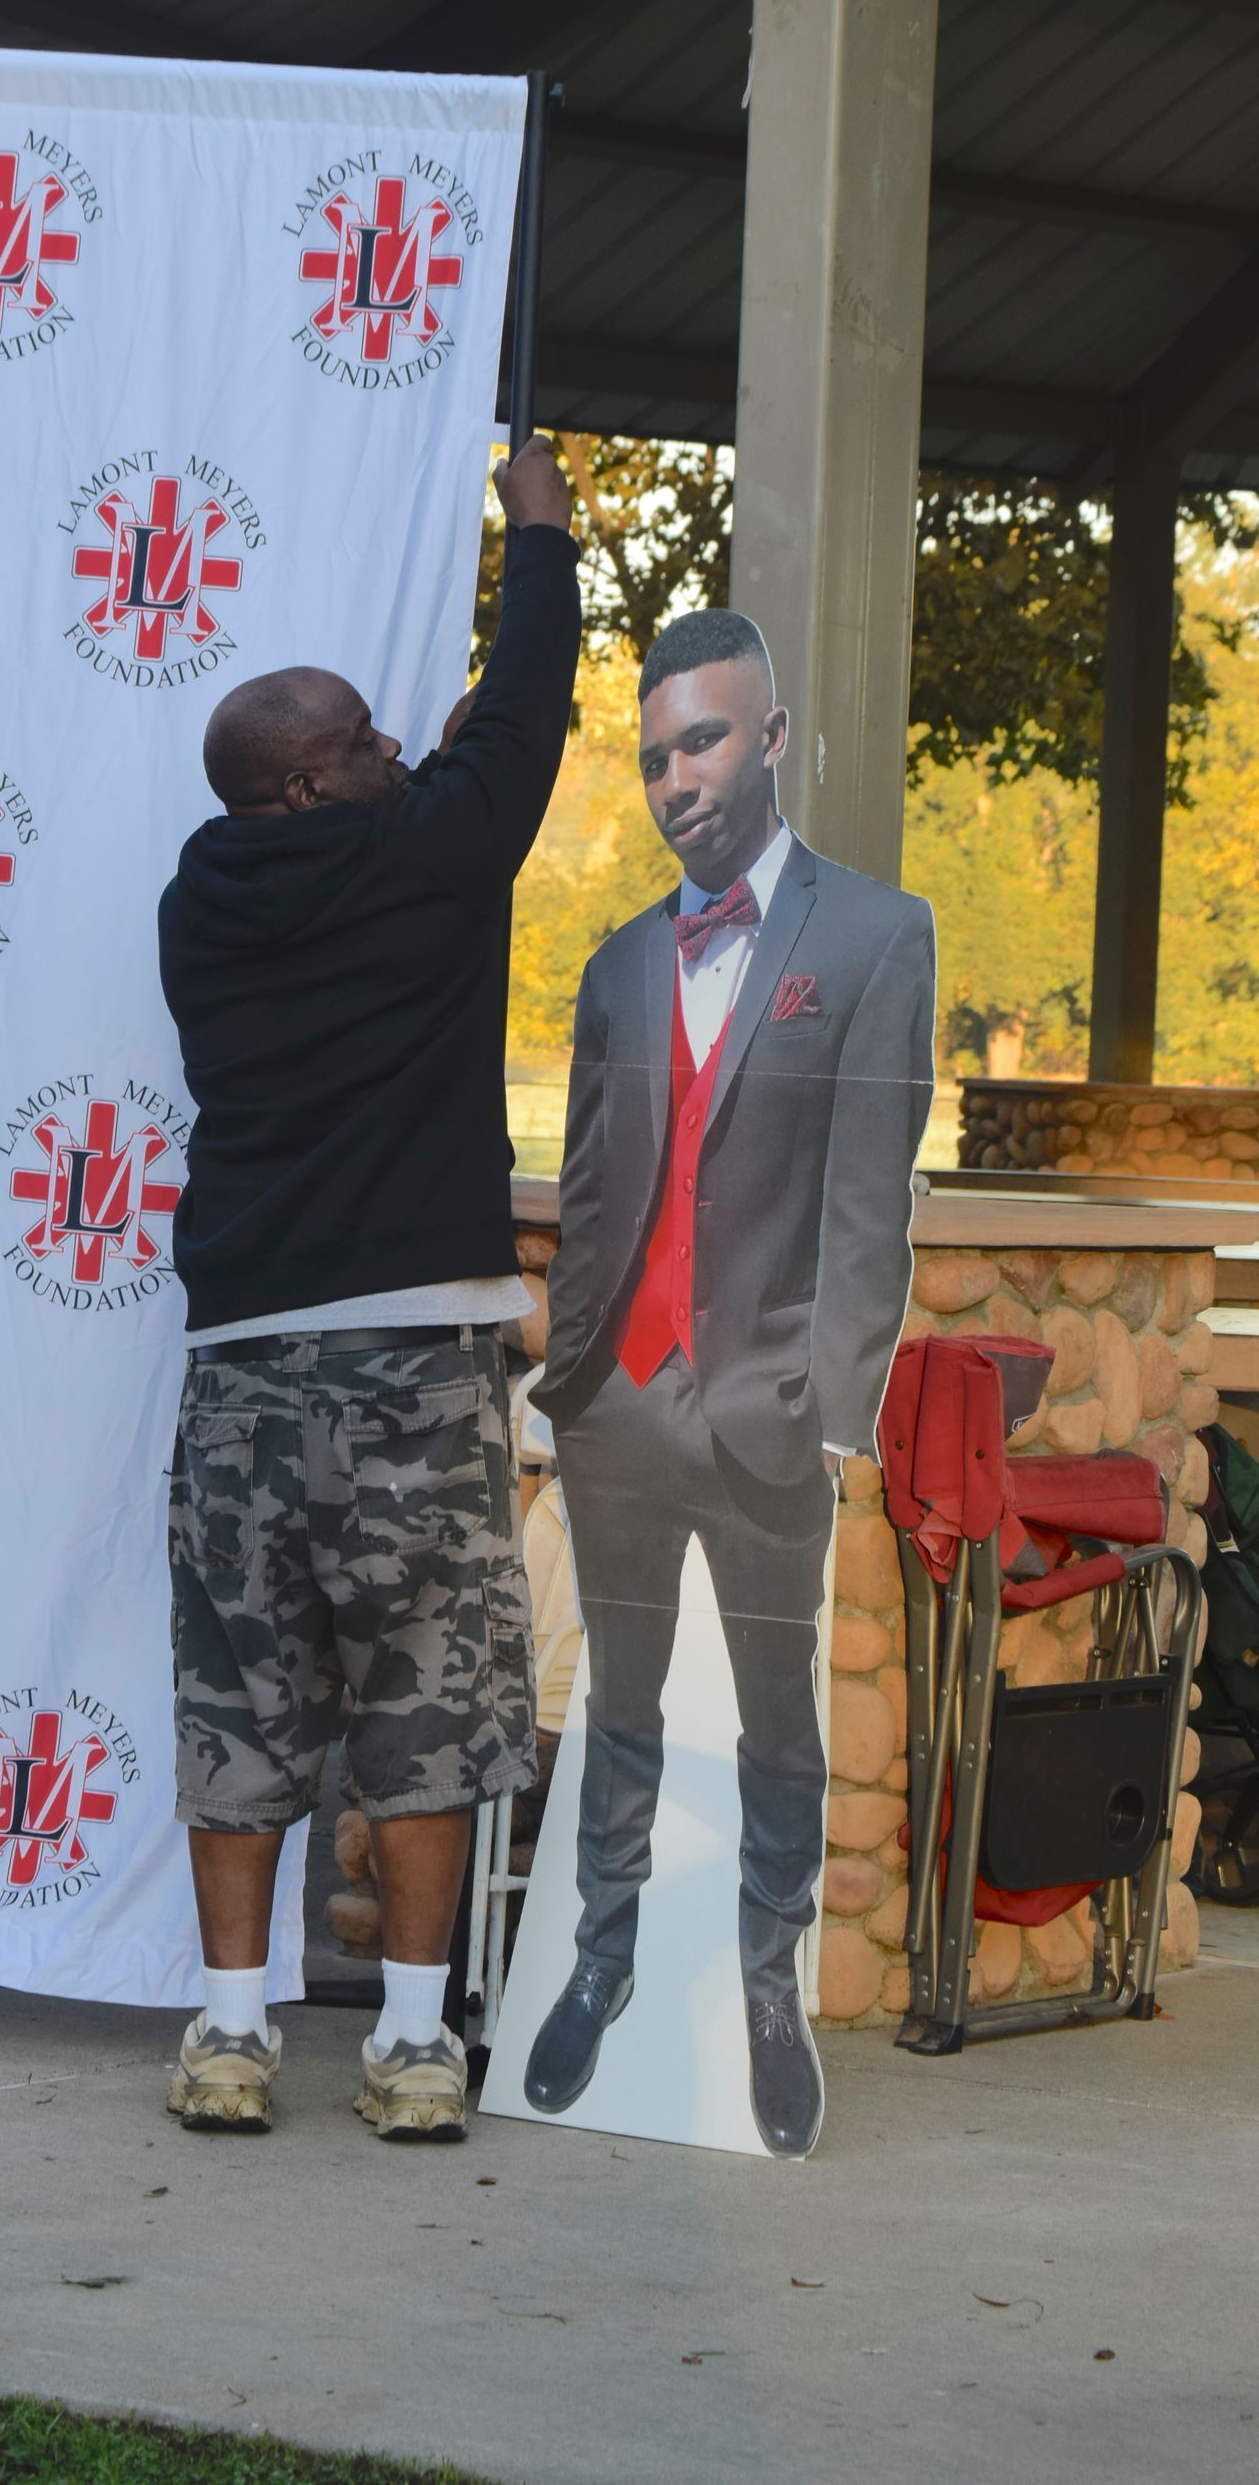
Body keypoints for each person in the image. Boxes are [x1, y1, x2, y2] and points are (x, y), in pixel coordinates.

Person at [156, 434, 580, 2140]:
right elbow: (526, 707)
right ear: (315, 787)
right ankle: (413, 2048)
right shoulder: (426, 858)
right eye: (366, 742)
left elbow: (465, 743)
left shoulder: (199, 896)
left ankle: (230, 2034)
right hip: (413, 1356)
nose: (403, 750)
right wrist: (537, 528)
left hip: (245, 1364)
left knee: (241, 1694)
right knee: (428, 1696)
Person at [526, 607, 934, 2157]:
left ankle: (767, 1991)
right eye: (650, 756)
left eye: (701, 740)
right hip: (622, 1411)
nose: (675, 778)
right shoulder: (621, 965)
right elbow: (592, 1189)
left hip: (768, 1415)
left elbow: (867, 1204)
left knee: (775, 1726)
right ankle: (604, 1963)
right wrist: (569, 1383)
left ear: (769, 739)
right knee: (622, 1704)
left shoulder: (876, 937)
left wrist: (835, 1415)